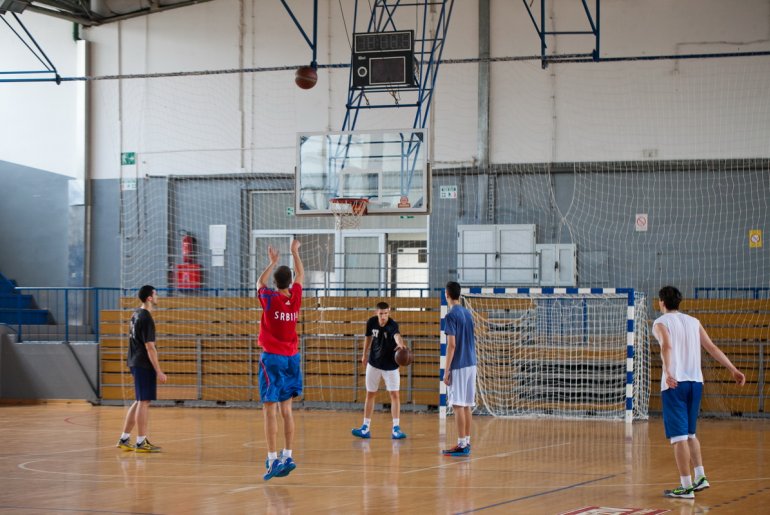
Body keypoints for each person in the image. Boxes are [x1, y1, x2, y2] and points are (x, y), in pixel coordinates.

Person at [653, 285, 745, 499]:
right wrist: (733, 369)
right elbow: (711, 347)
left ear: (661, 302)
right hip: (696, 383)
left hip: (676, 383)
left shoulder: (660, 322)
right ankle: (700, 476)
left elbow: (666, 346)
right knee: (690, 434)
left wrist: (668, 371)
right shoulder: (694, 322)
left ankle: (686, 487)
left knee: (678, 438)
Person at [257, 240, 304, 481]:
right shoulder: (295, 297)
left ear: (276, 282)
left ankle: (273, 458)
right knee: (287, 409)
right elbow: (301, 275)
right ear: (289, 282)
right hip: (292, 359)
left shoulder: (269, 298)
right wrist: (295, 252)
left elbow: (259, 283)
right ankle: (288, 455)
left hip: (272, 359)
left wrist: (271, 262)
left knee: (269, 410)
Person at [117, 285, 167, 453]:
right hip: (143, 364)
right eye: (155, 294)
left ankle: (124, 438)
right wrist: (159, 371)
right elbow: (150, 347)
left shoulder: (135, 314)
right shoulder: (146, 317)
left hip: (134, 361)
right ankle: (140, 441)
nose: (158, 296)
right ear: (150, 298)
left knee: (139, 401)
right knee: (144, 402)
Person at [352, 301, 408, 440]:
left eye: (386, 313)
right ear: (376, 313)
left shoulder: (392, 325)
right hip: (374, 364)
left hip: (390, 366)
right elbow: (368, 338)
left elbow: (397, 336)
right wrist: (364, 354)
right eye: (381, 313)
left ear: (389, 313)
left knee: (394, 395)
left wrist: (401, 344)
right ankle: (365, 427)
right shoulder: (371, 322)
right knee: (370, 394)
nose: (384, 316)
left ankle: (396, 428)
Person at [442, 281, 477, 456]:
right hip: (472, 364)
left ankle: (462, 444)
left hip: (459, 365)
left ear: (446, 294)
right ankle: (467, 441)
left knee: (457, 405)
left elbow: (452, 346)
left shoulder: (450, 316)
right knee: (467, 405)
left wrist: (446, 370)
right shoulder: (468, 313)